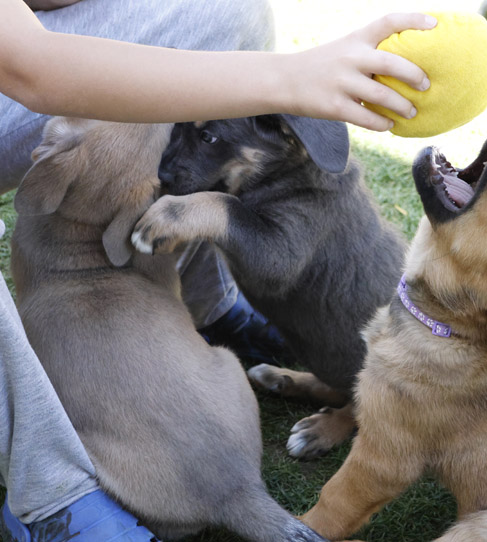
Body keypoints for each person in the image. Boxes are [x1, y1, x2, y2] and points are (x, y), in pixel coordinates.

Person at [0, 1, 435, 540]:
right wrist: (285, 79)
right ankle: (54, 496)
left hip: (371, 361)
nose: (170, 164)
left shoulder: (316, 198)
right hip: (19, 62)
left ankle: (212, 309)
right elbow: (27, 64)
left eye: (202, 137)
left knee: (230, 13)